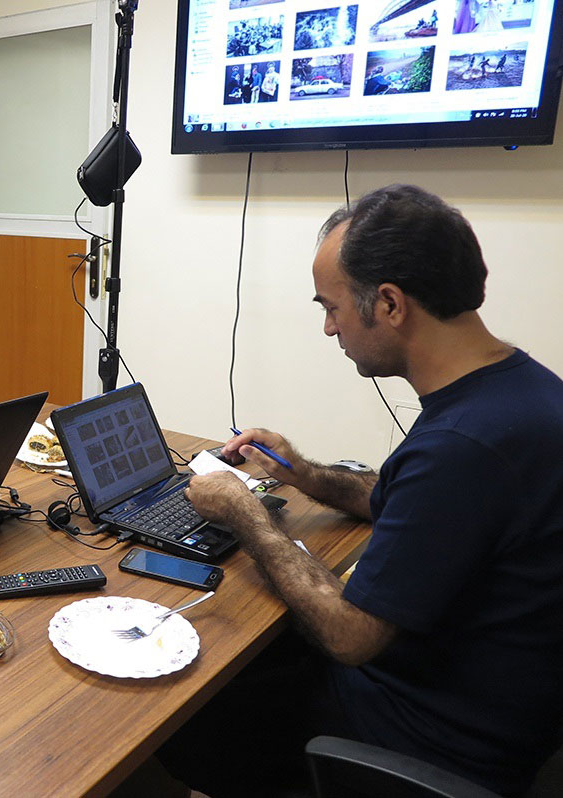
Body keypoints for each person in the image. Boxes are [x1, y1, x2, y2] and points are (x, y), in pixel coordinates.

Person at [161, 185, 563, 797]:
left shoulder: (461, 445)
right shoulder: (518, 392)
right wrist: (301, 474)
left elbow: (350, 636)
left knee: (173, 714)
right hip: (486, 706)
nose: (329, 328)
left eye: (333, 308)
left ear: (391, 304)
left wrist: (247, 513)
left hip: (417, 740)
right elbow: (411, 501)